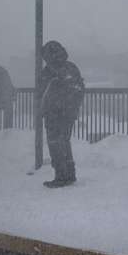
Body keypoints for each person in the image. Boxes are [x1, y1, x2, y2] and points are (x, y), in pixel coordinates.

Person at [39, 41, 85, 188]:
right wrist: (73, 107)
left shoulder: (49, 71)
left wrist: (44, 108)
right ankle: (70, 174)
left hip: (54, 113)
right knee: (64, 142)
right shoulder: (71, 67)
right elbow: (80, 89)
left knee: (55, 143)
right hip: (69, 113)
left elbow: (43, 93)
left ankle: (61, 176)